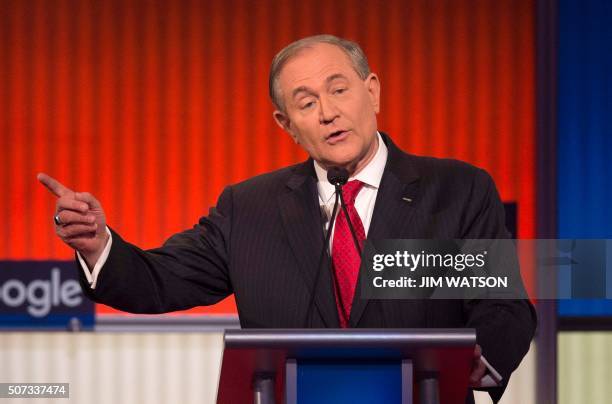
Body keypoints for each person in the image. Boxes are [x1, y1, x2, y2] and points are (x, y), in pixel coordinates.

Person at [38, 35, 535, 403]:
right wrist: (98, 243)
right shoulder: (249, 207)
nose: (328, 112)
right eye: (306, 102)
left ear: (373, 92)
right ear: (287, 125)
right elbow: (158, 281)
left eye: (339, 90)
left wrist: (477, 359)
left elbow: (504, 306)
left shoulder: (457, 189)